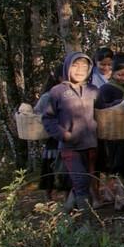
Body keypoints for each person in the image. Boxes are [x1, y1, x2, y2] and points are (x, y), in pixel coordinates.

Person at [40, 51, 100, 211]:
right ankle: (87, 220)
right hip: (70, 146)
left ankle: (67, 212)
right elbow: (48, 118)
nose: (80, 70)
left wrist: (122, 104)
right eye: (75, 65)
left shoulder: (93, 90)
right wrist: (63, 134)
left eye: (84, 66)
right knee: (80, 181)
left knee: (86, 180)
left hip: (91, 144)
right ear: (67, 67)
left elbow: (102, 109)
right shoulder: (57, 91)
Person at [95, 55, 124, 184]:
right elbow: (101, 108)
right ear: (112, 72)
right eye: (120, 75)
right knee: (115, 162)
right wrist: (119, 103)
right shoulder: (106, 89)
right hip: (113, 132)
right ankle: (114, 186)